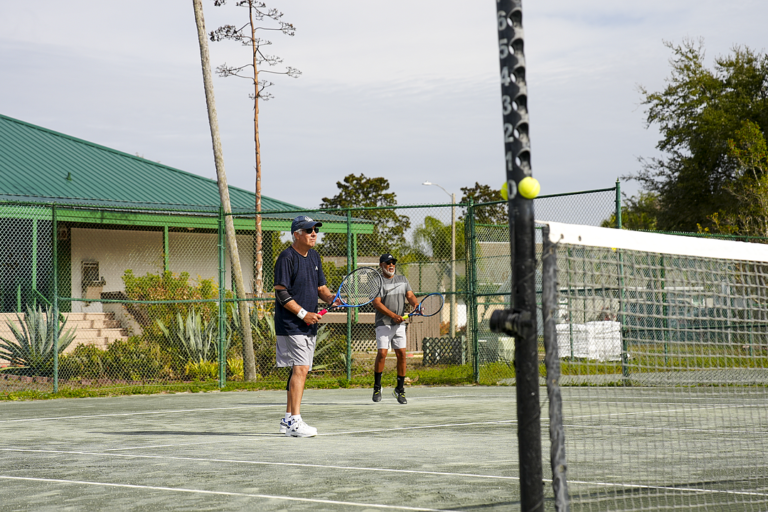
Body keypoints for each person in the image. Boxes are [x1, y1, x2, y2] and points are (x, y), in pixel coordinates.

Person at [274, 215, 340, 437]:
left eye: (315, 230)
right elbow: (281, 293)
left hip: (308, 324)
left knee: (299, 369)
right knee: (301, 369)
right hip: (291, 324)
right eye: (309, 230)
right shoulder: (286, 257)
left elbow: (321, 288)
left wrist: (331, 298)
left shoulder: (314, 256)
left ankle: (287, 419)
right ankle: (295, 422)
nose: (314, 234)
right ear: (296, 234)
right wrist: (303, 314)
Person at [371, 253, 419, 404]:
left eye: (393, 262)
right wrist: (393, 315)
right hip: (383, 323)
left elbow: (410, 295)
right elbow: (376, 303)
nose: (391, 265)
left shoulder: (402, 279)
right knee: (382, 354)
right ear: (381, 265)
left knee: (402, 355)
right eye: (388, 263)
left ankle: (400, 389)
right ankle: (377, 387)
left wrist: (416, 304)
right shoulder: (377, 282)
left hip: (399, 325)